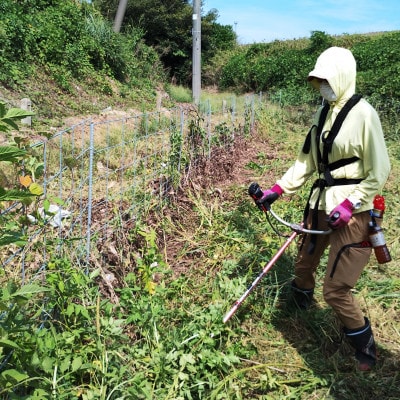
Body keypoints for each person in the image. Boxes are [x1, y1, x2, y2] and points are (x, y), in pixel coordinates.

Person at [256, 46, 391, 371]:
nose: (322, 86)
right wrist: (277, 190)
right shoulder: (322, 114)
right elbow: (306, 162)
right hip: (319, 204)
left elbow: (381, 169)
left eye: (327, 79)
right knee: (303, 263)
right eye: (318, 81)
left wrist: (351, 203)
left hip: (352, 212)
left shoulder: (364, 114)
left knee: (336, 289)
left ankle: (365, 348)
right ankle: (300, 312)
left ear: (342, 76)